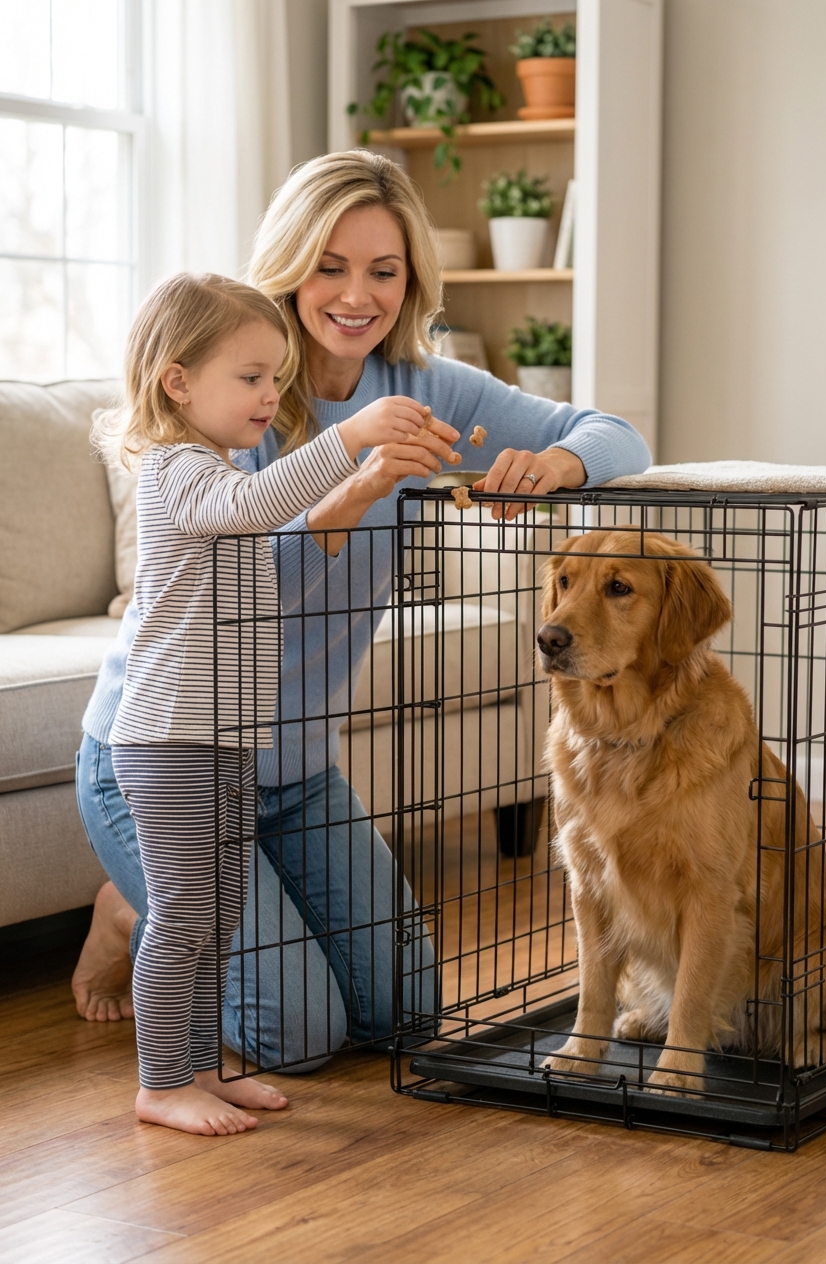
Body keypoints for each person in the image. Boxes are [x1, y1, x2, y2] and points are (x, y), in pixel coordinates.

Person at [74, 151, 652, 1073]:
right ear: (290, 266)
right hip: (171, 761)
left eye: (384, 271)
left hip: (295, 769)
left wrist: (554, 469)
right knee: (294, 1039)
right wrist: (352, 472)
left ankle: (229, 906)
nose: (357, 294)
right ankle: (136, 902)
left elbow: (618, 433)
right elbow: (250, 596)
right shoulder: (246, 393)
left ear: (412, 281)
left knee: (405, 1016)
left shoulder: (426, 385)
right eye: (330, 266)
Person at [92, 271, 440, 1136]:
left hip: (224, 741)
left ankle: (199, 1069)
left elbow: (276, 588)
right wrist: (348, 437)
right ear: (179, 382)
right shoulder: (179, 473)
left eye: (277, 379)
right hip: (168, 743)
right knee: (185, 916)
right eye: (251, 378)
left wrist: (352, 494)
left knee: (212, 916)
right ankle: (160, 1082)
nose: (271, 395)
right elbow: (254, 504)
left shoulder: (220, 471)